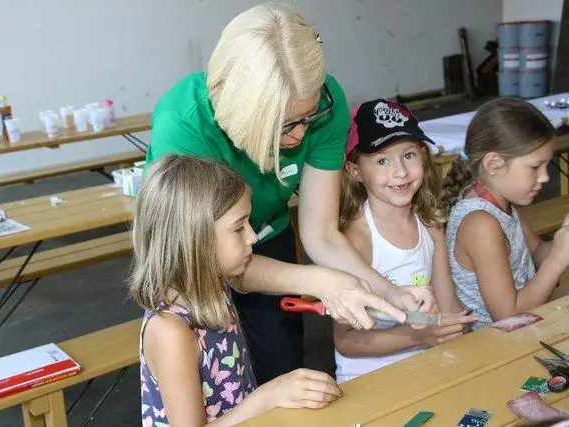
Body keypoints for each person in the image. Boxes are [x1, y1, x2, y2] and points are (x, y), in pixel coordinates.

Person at [145, 1, 433, 385]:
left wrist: (390, 293)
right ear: (241, 111)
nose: (300, 135)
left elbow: (321, 232)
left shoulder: (325, 103)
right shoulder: (183, 127)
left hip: (268, 234)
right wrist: (322, 281)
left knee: (281, 366)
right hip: (195, 258)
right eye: (283, 125)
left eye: (308, 118)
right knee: (212, 381)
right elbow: (213, 260)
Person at [130, 155, 343, 425]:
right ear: (197, 241)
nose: (253, 237)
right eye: (239, 227)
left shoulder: (214, 289)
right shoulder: (171, 332)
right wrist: (268, 396)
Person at [332, 100, 476, 382]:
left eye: (408, 155)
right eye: (382, 160)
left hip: (427, 365)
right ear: (356, 171)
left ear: (423, 156)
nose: (400, 171)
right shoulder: (355, 241)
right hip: (369, 379)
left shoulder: (430, 226)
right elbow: (345, 340)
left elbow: (447, 309)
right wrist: (416, 334)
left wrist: (457, 328)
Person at [440, 97, 569, 330]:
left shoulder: (503, 203)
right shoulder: (481, 225)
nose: (545, 178)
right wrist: (558, 260)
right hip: (497, 346)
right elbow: (509, 317)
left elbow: (538, 253)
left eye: (546, 166)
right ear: (494, 164)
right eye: (534, 167)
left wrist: (563, 238)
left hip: (528, 323)